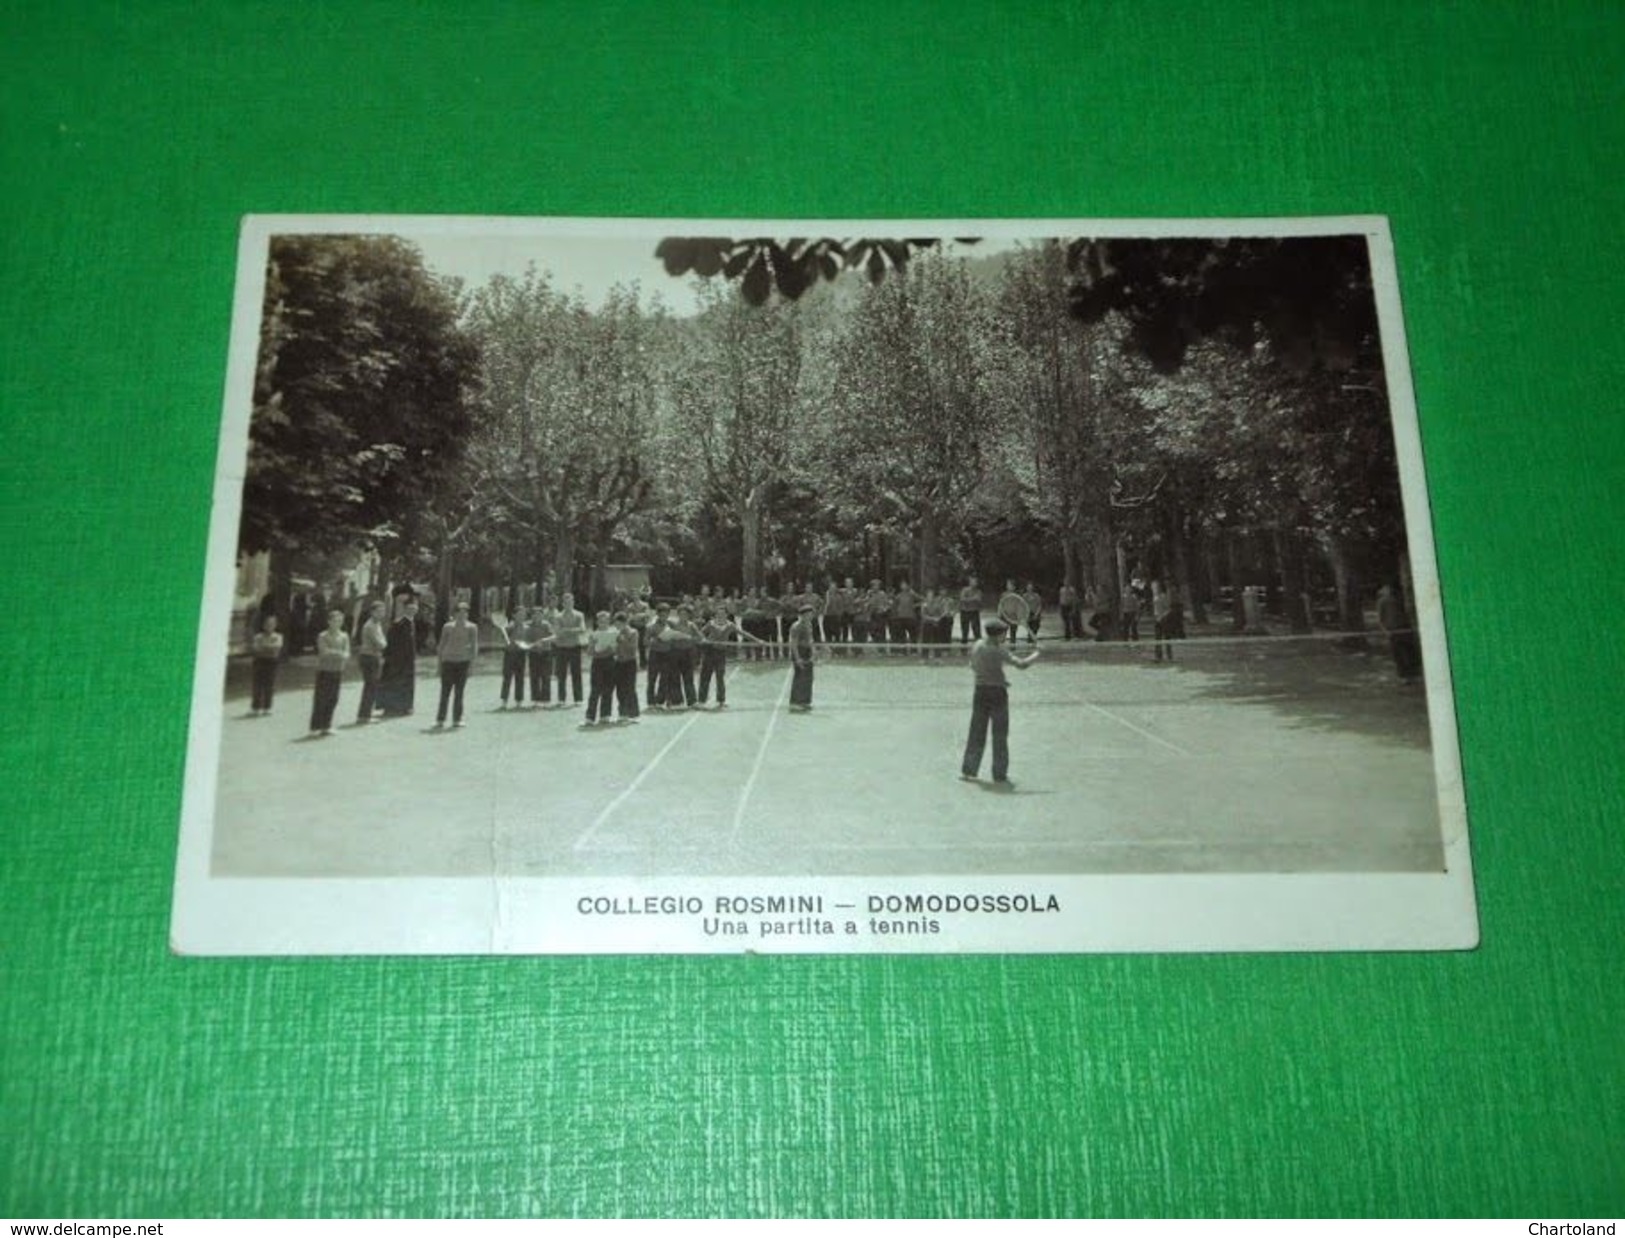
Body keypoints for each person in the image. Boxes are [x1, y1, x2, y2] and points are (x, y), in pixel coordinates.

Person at [960, 618, 1039, 786]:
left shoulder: (977, 645)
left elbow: (972, 665)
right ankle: (999, 774)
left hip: (980, 692)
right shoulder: (999, 650)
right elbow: (1022, 664)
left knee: (976, 732)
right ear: (998, 634)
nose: (1005, 636)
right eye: (1004, 633)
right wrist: (1038, 653)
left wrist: (992, 676)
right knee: (1000, 735)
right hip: (997, 695)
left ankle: (968, 770)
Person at [434, 600, 479, 729]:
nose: (463, 614)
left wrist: (471, 665)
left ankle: (457, 719)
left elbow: (474, 646)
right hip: (448, 661)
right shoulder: (447, 627)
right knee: (445, 692)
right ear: (455, 613)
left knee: (459, 692)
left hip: (463, 662)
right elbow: (441, 646)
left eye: (465, 611)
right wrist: (439, 665)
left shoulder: (472, 627)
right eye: (460, 611)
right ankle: (440, 719)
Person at [309, 608, 350, 736]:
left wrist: (337, 653)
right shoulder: (323, 635)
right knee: (321, 699)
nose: (337, 623)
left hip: (337, 670)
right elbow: (324, 652)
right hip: (324, 671)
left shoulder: (344, 636)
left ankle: (326, 725)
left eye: (340, 621)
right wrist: (339, 653)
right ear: (329, 622)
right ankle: (315, 727)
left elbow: (347, 653)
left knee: (333, 699)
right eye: (334, 621)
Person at [377, 596, 418, 717]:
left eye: (414, 607)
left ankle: (405, 706)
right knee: (395, 682)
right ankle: (391, 707)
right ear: (405, 609)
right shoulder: (398, 624)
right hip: (398, 660)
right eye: (410, 608)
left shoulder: (412, 623)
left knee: (407, 683)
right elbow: (391, 642)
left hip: (409, 660)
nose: (412, 610)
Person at [1377, 584, 1422, 684]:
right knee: (1399, 654)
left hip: (1404, 627)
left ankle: (1414, 674)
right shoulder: (1382, 602)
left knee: (1409, 651)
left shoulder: (1399, 599)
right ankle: (1404, 676)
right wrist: (1385, 631)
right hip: (1393, 630)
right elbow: (1380, 618)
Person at [584, 610, 619, 725]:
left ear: (609, 622)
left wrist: (609, 650)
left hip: (610, 662)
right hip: (598, 663)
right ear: (597, 622)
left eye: (605, 621)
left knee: (608, 689)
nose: (603, 623)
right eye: (601, 621)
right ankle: (590, 717)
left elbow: (616, 649)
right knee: (595, 690)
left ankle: (605, 715)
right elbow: (589, 652)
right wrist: (597, 649)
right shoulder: (594, 634)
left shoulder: (614, 632)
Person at [355, 600, 387, 722]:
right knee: (370, 686)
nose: (381, 614)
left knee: (371, 686)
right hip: (369, 657)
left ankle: (365, 713)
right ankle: (364, 715)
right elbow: (380, 643)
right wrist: (385, 644)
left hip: (373, 657)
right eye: (379, 611)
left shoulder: (377, 624)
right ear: (372, 612)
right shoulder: (370, 626)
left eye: (383, 611)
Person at [553, 592, 586, 706]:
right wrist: (572, 630)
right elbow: (558, 632)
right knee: (561, 674)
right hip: (561, 648)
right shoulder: (558, 616)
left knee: (576, 674)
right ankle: (561, 699)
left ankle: (578, 699)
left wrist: (566, 630)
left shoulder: (579, 615)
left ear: (573, 602)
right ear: (563, 604)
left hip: (575, 647)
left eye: (570, 602)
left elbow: (582, 629)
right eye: (566, 602)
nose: (568, 604)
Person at [698, 607, 734, 707]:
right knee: (705, 676)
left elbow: (744, 634)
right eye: (718, 614)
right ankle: (701, 700)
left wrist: (758, 641)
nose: (720, 615)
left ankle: (721, 700)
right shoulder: (711, 623)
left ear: (726, 615)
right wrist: (704, 639)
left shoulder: (730, 625)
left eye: (723, 614)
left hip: (721, 653)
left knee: (720, 677)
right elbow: (700, 633)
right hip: (709, 651)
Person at [249, 614, 283, 715]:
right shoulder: (258, 636)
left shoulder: (278, 636)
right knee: (257, 685)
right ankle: (256, 707)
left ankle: (267, 707)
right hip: (259, 662)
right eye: (268, 624)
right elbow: (256, 649)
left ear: (275, 625)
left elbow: (276, 649)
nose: (270, 626)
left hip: (271, 662)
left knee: (269, 684)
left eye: (272, 624)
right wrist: (269, 648)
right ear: (264, 625)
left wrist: (264, 647)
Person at [499, 605, 532, 709]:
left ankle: (519, 701)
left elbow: (529, 641)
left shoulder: (527, 628)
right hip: (510, 654)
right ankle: (504, 701)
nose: (522, 616)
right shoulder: (510, 627)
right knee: (507, 677)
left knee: (520, 678)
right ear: (514, 615)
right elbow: (503, 639)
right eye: (519, 614)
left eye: (523, 614)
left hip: (521, 655)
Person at [788, 603, 817, 712]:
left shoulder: (809, 625)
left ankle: (805, 701)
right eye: (810, 614)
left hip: (807, 652)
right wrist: (797, 658)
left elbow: (810, 640)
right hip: (799, 652)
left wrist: (814, 652)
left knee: (808, 678)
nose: (811, 616)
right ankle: (796, 701)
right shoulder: (796, 626)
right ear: (804, 614)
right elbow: (793, 643)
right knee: (799, 677)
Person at [613, 611, 641, 722]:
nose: (617, 626)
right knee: (620, 688)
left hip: (630, 662)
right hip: (618, 662)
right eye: (616, 624)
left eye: (619, 624)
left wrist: (623, 640)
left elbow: (633, 648)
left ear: (625, 623)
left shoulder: (633, 632)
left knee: (630, 687)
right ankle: (622, 712)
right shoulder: (614, 633)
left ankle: (633, 714)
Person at [526, 606, 554, 707]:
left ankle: (546, 700)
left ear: (542, 615)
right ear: (532, 616)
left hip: (546, 652)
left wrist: (544, 640)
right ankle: (535, 700)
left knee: (546, 676)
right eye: (534, 614)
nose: (537, 616)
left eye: (539, 614)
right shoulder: (527, 625)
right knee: (534, 676)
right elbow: (525, 639)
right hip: (533, 653)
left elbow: (553, 636)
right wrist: (532, 644)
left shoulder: (546, 625)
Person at [959, 577, 983, 644]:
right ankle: (964, 649)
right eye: (972, 581)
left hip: (974, 612)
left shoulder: (978, 591)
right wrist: (973, 599)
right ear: (969, 582)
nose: (974, 583)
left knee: (977, 631)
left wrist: (969, 599)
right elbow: (962, 599)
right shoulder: (965, 590)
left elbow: (979, 600)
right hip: (965, 611)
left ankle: (979, 647)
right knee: (965, 631)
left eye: (975, 582)